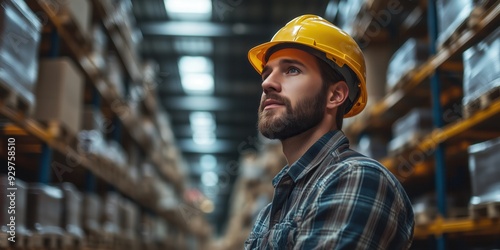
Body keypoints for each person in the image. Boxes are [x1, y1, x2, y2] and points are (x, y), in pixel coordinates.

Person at [244, 15, 414, 249]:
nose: (267, 84)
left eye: (292, 70)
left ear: (335, 96)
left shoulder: (357, 178)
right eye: (266, 74)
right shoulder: (270, 213)